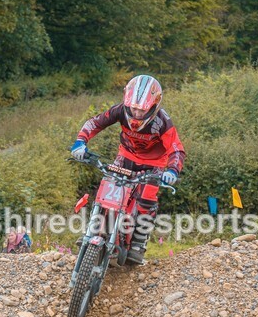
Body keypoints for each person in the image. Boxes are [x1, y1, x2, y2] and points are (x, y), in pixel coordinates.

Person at [70, 74, 186, 263]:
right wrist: (80, 142)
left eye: (142, 110)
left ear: (153, 106)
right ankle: (94, 230)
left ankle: (138, 244)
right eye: (133, 108)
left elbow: (176, 149)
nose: (136, 114)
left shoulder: (163, 122)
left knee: (147, 198)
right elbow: (95, 123)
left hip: (154, 163)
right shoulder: (120, 111)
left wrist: (172, 171)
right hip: (126, 156)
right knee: (107, 187)